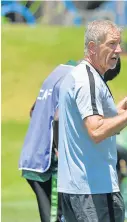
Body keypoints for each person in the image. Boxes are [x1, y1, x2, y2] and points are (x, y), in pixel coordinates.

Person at [57, 20, 127, 222]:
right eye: (111, 44)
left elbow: (84, 126)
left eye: (118, 44)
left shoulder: (81, 75)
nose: (118, 50)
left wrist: (115, 114)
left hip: (80, 188)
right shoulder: (88, 80)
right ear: (92, 47)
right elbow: (96, 131)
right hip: (92, 188)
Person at [19, 60, 78, 222]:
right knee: (55, 216)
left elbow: (33, 111)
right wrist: (58, 147)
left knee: (53, 216)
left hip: (32, 156)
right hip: (48, 162)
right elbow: (58, 117)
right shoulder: (75, 77)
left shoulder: (55, 75)